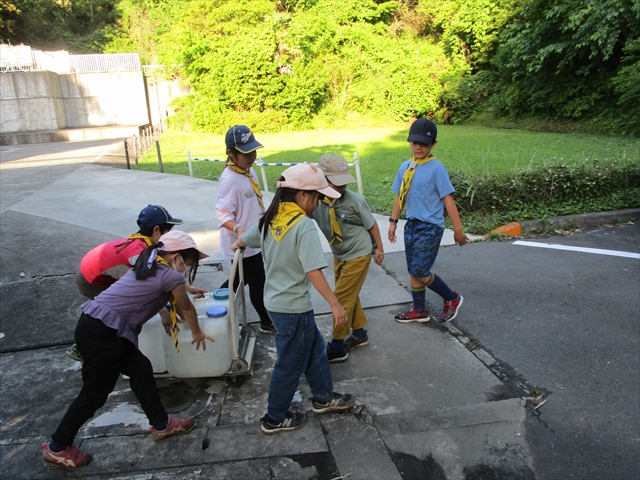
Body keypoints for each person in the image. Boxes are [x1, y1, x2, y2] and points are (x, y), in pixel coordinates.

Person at [42, 230, 214, 469]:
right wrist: (196, 332)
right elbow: (186, 308)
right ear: (174, 257)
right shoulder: (170, 276)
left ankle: (161, 424)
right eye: (186, 262)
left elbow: (170, 288)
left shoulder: (147, 261)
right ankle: (58, 446)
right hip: (103, 334)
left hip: (99, 326)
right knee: (94, 394)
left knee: (141, 369)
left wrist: (188, 288)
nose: (185, 268)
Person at [232, 163, 356, 434]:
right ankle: (275, 417)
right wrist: (335, 304)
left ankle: (324, 397)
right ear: (302, 195)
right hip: (293, 308)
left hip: (277, 304)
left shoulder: (271, 218)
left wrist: (237, 243)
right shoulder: (303, 226)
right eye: (317, 197)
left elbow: (248, 238)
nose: (318, 203)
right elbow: (313, 270)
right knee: (290, 364)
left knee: (314, 351)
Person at [68, 205, 205, 362]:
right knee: (109, 313)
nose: (170, 236)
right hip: (92, 279)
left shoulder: (145, 245)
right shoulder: (139, 253)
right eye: (168, 231)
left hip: (91, 269)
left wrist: (187, 288)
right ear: (156, 230)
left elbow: (165, 275)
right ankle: (83, 348)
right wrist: (163, 312)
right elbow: (144, 287)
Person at [388, 118, 468, 323]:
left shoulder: (436, 169)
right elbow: (400, 196)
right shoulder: (405, 166)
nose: (418, 147)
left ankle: (451, 297)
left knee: (420, 270)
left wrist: (458, 230)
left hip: (430, 227)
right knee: (413, 269)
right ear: (409, 142)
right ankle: (419, 310)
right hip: (412, 225)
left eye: (423, 143)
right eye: (414, 142)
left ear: (433, 144)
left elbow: (448, 201)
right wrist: (393, 221)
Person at [309, 154, 384, 363]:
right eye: (336, 183)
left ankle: (337, 345)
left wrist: (380, 248)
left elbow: (371, 224)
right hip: (339, 253)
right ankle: (359, 334)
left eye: (344, 183)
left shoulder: (354, 201)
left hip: (359, 253)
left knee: (341, 298)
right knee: (351, 294)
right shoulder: (314, 201)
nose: (341, 188)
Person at [215, 125, 276, 334]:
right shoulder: (229, 180)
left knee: (243, 279)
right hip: (241, 241)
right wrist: (239, 229)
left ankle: (217, 299)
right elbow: (222, 214)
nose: (251, 157)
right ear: (230, 153)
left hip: (253, 236)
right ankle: (266, 321)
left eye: (253, 151)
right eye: (245, 153)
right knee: (257, 280)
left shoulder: (248, 171)